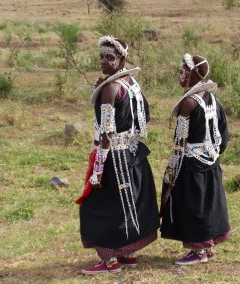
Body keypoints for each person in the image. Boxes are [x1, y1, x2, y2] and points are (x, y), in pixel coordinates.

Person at [75, 35, 159, 274]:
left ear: (122, 58)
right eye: (101, 56)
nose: (104, 61)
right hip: (133, 153)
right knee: (128, 202)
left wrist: (97, 170)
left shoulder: (111, 88)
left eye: (110, 57)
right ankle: (127, 253)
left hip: (113, 157)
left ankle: (110, 260)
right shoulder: (130, 83)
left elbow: (106, 132)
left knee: (98, 204)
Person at [160, 53, 231, 265]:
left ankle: (198, 252)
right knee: (207, 204)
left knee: (192, 206)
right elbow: (223, 134)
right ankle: (207, 248)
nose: (179, 76)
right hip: (210, 162)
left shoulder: (188, 103)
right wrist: (213, 156)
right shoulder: (211, 99)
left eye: (182, 72)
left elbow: (180, 143)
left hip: (191, 165)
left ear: (193, 74)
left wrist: (171, 170)